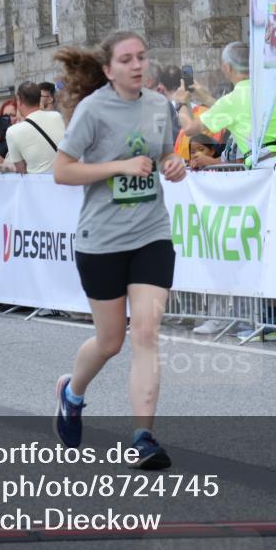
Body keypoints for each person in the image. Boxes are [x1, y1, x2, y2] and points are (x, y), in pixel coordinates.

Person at [51, 30, 186, 469]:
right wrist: (119, 167)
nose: (137, 65)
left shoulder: (159, 106)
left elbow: (164, 155)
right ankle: (72, 393)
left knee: (145, 332)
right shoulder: (93, 110)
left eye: (141, 57)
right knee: (110, 341)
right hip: (102, 240)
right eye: (126, 59)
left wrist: (174, 165)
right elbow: (62, 172)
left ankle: (143, 438)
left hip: (151, 234)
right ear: (108, 70)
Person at [178, 42, 276, 167]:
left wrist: (182, 101)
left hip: (266, 168)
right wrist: (204, 97)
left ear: (228, 67)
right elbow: (233, 112)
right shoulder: (266, 92)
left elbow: (189, 129)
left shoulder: (231, 101)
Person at [5, 81, 66, 174]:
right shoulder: (57, 116)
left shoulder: (12, 131)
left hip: (40, 182)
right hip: (66, 178)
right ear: (39, 98)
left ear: (19, 100)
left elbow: (21, 170)